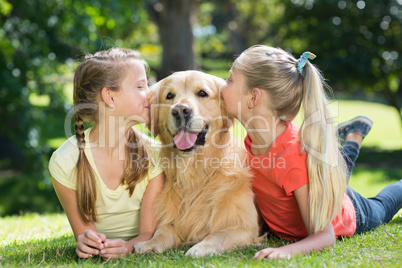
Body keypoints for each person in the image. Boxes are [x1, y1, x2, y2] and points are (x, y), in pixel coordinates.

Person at [220, 45, 402, 259]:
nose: (222, 86)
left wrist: (284, 252)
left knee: (383, 205)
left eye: (230, 79)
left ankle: (354, 136)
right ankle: (353, 135)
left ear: (253, 98)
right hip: (316, 183)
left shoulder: (290, 156)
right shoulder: (255, 138)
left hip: (352, 212)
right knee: (333, 169)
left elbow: (325, 236)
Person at [49, 48, 164, 259]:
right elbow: (85, 232)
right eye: (140, 86)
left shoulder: (156, 155)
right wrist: (87, 241)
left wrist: (128, 247)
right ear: (109, 96)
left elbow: (148, 233)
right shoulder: (65, 161)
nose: (151, 93)